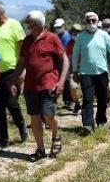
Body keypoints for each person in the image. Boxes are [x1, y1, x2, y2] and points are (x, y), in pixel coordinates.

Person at [16, 10, 69, 162]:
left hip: (48, 83)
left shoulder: (52, 38)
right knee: (34, 118)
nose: (28, 27)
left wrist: (61, 82)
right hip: (30, 86)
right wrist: (15, 79)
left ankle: (56, 135)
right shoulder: (27, 41)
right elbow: (22, 62)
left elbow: (64, 60)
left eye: (30, 24)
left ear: (38, 24)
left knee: (48, 115)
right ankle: (40, 149)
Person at [0, 0, 28, 149]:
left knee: (11, 103)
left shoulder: (14, 25)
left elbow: (23, 49)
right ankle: (2, 139)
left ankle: (22, 126)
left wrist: (22, 70)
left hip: (12, 71)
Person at [72, 12, 110, 135]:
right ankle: (88, 125)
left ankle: (101, 121)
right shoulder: (80, 37)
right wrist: (75, 71)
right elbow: (75, 55)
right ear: (85, 22)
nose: (91, 23)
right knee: (88, 99)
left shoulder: (104, 35)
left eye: (93, 21)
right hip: (85, 73)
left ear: (98, 22)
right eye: (88, 21)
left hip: (102, 73)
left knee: (102, 99)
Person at [53, 18, 73, 109]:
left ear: (63, 26)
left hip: (66, 62)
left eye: (59, 27)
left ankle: (69, 101)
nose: (58, 28)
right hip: (58, 62)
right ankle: (65, 101)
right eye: (56, 27)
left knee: (67, 81)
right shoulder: (57, 36)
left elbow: (65, 52)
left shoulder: (66, 37)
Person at [65, 23, 83, 113]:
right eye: (74, 32)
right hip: (73, 69)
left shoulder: (85, 42)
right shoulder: (70, 44)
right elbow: (67, 57)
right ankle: (77, 102)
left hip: (85, 69)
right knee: (72, 87)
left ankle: (86, 107)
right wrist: (67, 70)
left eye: (78, 32)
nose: (76, 34)